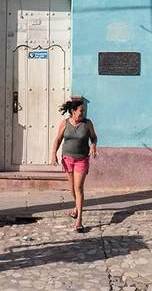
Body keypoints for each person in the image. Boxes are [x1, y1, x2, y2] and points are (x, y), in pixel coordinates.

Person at [50, 99, 98, 232]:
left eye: (83, 110)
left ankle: (79, 220)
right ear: (73, 111)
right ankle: (76, 207)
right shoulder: (65, 123)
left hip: (81, 159)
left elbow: (94, 137)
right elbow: (58, 139)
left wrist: (93, 145)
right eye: (81, 110)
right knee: (71, 187)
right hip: (67, 158)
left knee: (78, 187)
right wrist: (53, 154)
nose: (83, 113)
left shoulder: (87, 123)